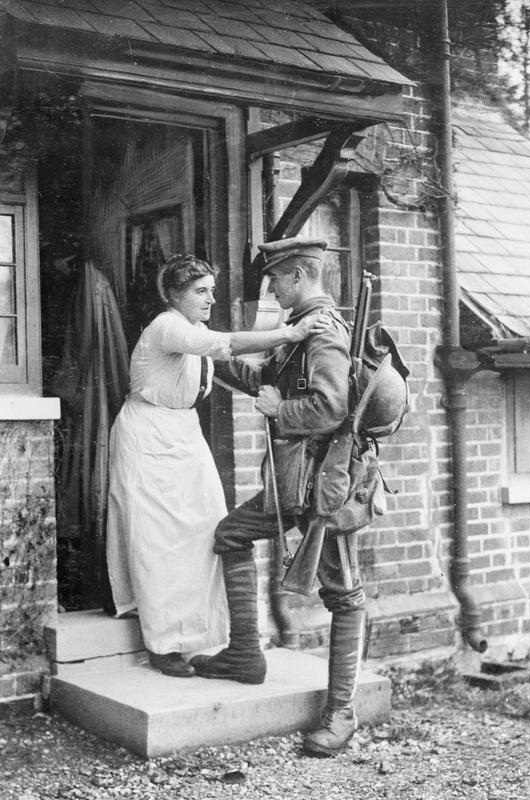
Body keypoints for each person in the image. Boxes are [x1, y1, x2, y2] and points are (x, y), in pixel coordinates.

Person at [106, 253, 329, 679]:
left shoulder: (196, 331)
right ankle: (162, 643)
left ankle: (199, 632)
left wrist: (288, 369)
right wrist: (291, 331)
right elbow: (222, 344)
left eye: (212, 290)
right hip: (148, 433)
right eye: (200, 291)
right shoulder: (167, 326)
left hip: (184, 432)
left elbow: (236, 366)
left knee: (206, 529)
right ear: (175, 295)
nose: (210, 299)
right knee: (156, 538)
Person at [190, 237, 366, 757]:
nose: (272, 290)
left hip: (326, 487)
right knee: (231, 534)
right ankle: (245, 653)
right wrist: (207, 346)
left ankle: (342, 712)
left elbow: (331, 408)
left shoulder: (324, 332)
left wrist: (278, 411)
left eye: (276, 280)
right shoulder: (301, 328)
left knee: (344, 593)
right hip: (294, 484)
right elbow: (266, 380)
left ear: (299, 276)